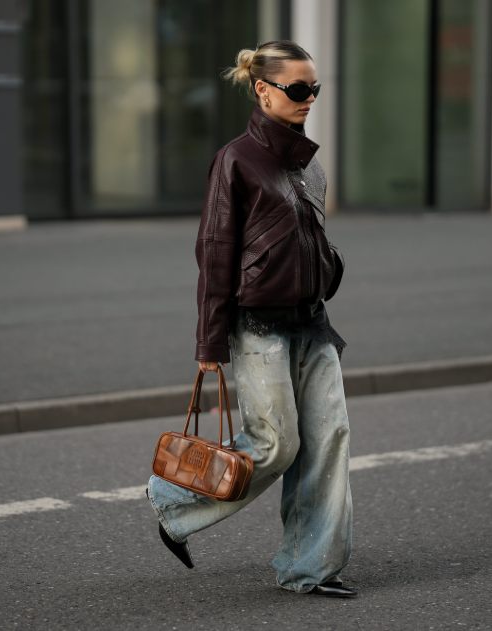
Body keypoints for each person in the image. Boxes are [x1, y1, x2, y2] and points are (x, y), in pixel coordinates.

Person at [146, 40, 354, 598]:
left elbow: (308, 239)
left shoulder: (309, 166)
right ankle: (171, 501)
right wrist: (209, 339)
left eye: (314, 88)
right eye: (297, 89)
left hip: (312, 321)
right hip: (258, 326)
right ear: (263, 90)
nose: (309, 98)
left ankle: (311, 568)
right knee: (276, 445)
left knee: (328, 439)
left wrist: (328, 270)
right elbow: (215, 251)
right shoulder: (235, 160)